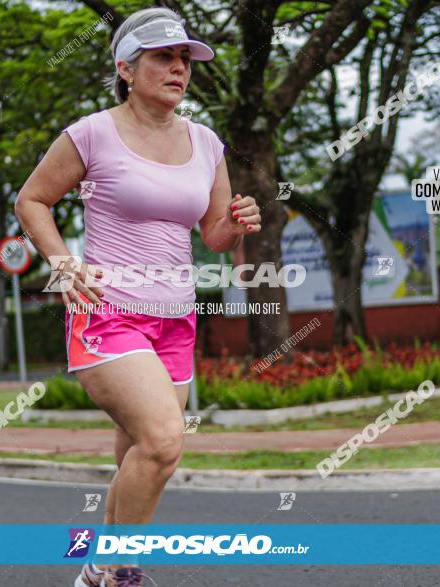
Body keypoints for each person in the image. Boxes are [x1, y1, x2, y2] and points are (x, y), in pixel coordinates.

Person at [14, 7, 261, 587]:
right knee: (163, 440)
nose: (179, 69)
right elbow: (32, 200)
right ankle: (117, 568)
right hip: (108, 311)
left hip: (176, 317)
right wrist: (61, 259)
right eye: (163, 58)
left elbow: (214, 236)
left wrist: (237, 221)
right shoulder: (92, 133)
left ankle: (95, 576)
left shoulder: (205, 143)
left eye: (184, 59)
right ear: (126, 67)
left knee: (140, 456)